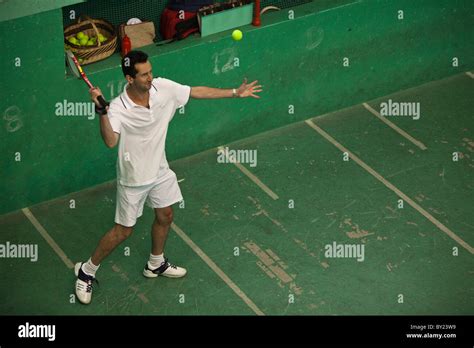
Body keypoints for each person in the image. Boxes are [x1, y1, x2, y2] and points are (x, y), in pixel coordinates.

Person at [75, 50, 263, 304]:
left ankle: (155, 263)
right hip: (134, 178)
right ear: (130, 79)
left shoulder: (163, 87)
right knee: (123, 231)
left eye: (150, 71)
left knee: (166, 215)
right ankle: (87, 271)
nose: (150, 77)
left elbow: (195, 91)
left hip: (160, 170)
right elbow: (110, 141)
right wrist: (102, 112)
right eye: (143, 75)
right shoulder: (118, 107)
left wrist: (233, 92)